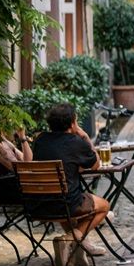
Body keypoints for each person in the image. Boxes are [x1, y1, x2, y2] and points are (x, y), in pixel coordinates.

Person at [31, 103, 109, 256]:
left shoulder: (40, 140)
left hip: (39, 204)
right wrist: (85, 136)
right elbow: (96, 165)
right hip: (67, 204)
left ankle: (79, 249)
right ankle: (67, 240)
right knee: (105, 206)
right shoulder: (75, 142)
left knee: (62, 197)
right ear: (73, 123)